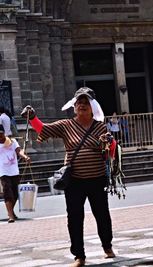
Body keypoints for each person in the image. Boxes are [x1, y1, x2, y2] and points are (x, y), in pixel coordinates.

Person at [21, 87, 116, 267]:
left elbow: (111, 152)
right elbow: (44, 130)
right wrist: (32, 118)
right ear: (74, 106)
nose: (82, 105)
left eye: (86, 102)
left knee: (102, 215)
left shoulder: (100, 126)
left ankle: (107, 247)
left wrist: (109, 143)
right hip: (75, 181)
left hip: (96, 179)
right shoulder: (66, 125)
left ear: (92, 106)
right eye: (79, 102)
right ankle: (79, 256)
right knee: (74, 217)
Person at [0, 125, 30, 223]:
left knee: (15, 194)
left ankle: (11, 211)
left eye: (1, 134)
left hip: (14, 171)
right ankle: (10, 215)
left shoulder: (12, 141)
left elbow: (18, 151)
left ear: (4, 133)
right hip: (3, 172)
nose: (0, 137)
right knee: (7, 192)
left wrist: (24, 156)